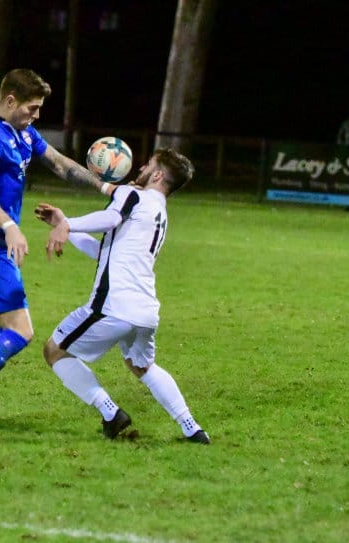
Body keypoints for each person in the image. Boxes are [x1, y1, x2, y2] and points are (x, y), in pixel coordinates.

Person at [0, 68, 112, 438]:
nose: (36, 115)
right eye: (32, 107)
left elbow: (59, 163)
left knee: (15, 328)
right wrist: (9, 225)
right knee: (19, 330)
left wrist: (106, 188)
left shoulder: (23, 133)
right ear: (10, 101)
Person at [33, 148, 210, 444]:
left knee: (55, 350)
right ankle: (192, 427)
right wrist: (65, 222)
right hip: (145, 311)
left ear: (157, 175)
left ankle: (110, 412)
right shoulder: (158, 212)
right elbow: (105, 252)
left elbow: (110, 218)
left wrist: (68, 225)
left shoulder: (133, 195)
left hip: (114, 306)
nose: (140, 167)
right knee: (142, 366)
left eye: (148, 164)